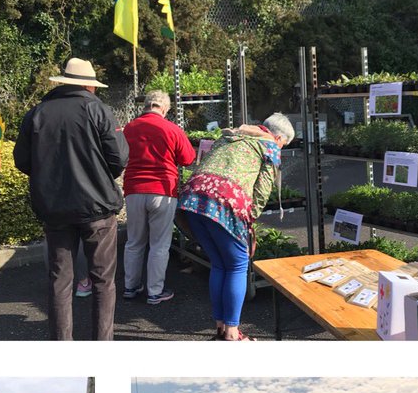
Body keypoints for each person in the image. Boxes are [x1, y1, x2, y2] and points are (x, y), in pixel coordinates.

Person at [13, 57, 128, 340]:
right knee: (103, 281)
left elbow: (22, 160)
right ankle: (102, 344)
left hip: (54, 209)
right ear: (89, 85)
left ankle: (61, 344)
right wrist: (98, 175)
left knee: (59, 280)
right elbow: (119, 158)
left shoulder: (37, 113)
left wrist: (48, 176)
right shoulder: (97, 110)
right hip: (98, 207)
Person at [176, 114, 295, 341]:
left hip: (192, 199)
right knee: (238, 265)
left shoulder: (233, 135)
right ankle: (232, 333)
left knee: (220, 265)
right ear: (278, 137)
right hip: (224, 203)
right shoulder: (269, 146)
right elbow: (261, 191)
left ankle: (221, 326)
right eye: (284, 144)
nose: (282, 148)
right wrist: (250, 223)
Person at [122, 90, 197, 305]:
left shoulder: (130, 128)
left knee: (134, 241)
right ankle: (155, 291)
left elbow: (120, 155)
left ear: (146, 105)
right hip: (163, 190)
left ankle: (131, 286)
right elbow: (188, 158)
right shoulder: (172, 129)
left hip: (134, 188)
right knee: (159, 244)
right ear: (165, 108)